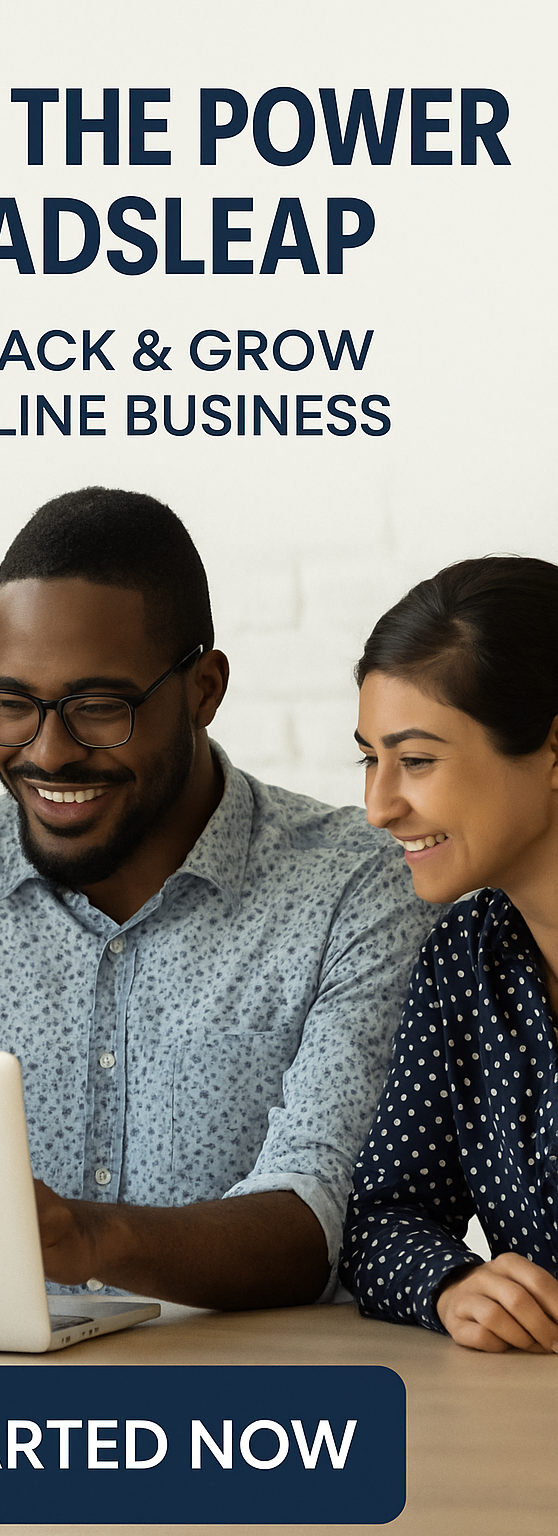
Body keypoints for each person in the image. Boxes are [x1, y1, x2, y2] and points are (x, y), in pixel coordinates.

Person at [0, 486, 431, 1310]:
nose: (49, 752)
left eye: (98, 708)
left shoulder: (356, 888)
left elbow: (319, 1225)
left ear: (204, 689)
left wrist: (87, 1241)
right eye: (13, 703)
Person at [341, 555, 558, 1352]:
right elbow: (381, 1219)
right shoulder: (465, 962)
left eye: (417, 760)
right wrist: (456, 1285)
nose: (378, 806)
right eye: (371, 758)